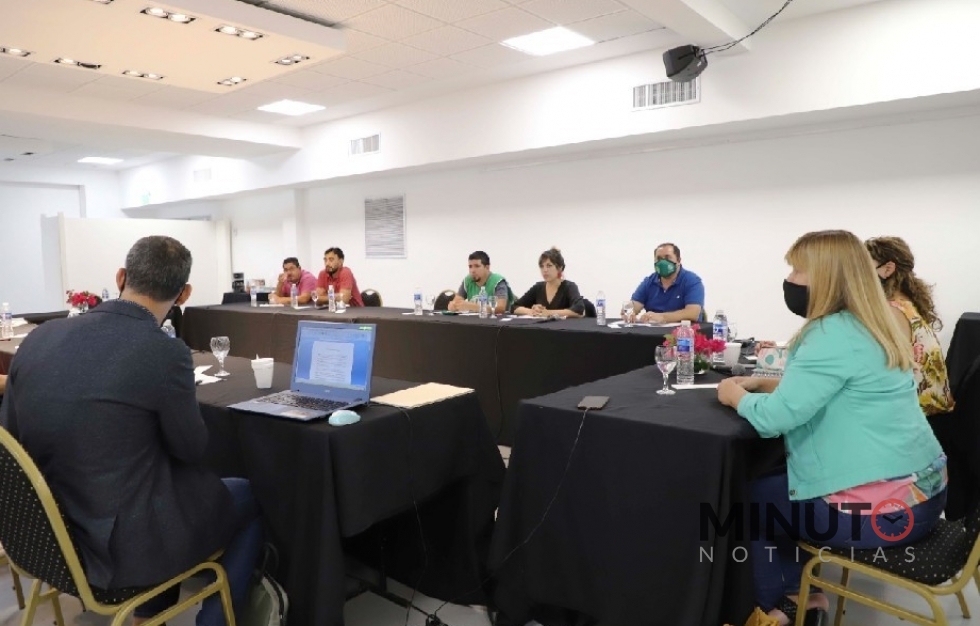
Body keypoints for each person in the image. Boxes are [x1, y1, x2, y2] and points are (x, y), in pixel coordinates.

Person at [0, 236, 262, 626]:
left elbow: (11, 434)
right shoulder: (164, 351)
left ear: (120, 277)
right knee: (248, 494)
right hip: (115, 551)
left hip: (42, 539)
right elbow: (191, 449)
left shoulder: (41, 337)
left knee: (155, 486)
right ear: (184, 294)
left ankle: (149, 613)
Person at [716, 230, 946, 626]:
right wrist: (766, 384)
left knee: (744, 502)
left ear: (826, 277)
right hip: (927, 496)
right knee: (775, 487)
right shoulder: (877, 322)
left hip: (882, 514)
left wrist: (733, 394)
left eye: (797, 270)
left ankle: (780, 609)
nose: (790, 279)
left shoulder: (831, 332)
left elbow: (774, 419)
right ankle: (803, 593)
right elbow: (840, 390)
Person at [865, 236, 954, 415]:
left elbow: (887, 372)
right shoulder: (906, 303)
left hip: (920, 416)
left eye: (863, 267)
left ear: (888, 269)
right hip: (933, 411)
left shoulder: (892, 311)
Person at [629, 242, 704, 323]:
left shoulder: (692, 281)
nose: (663, 262)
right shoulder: (649, 281)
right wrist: (629, 313)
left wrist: (662, 317)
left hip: (683, 329)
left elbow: (692, 313)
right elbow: (634, 306)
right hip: (653, 329)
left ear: (678, 261)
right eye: (659, 258)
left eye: (667, 258)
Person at [511, 247, 585, 318]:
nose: (545, 270)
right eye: (542, 266)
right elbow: (514, 307)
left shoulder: (569, 286)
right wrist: (532, 311)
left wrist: (549, 313)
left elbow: (579, 310)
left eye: (549, 266)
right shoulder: (538, 287)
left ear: (560, 268)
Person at [448, 251, 514, 315]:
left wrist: (473, 307)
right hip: (476, 320)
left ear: (487, 267)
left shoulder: (498, 281)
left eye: (477, 266)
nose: (472, 270)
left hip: (498, 321)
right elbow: (456, 302)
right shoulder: (468, 280)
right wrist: (453, 306)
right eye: (470, 266)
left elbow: (500, 309)